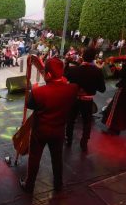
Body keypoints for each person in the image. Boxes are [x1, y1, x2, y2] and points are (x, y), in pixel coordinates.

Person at [19, 58, 79, 193]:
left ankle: (29, 185)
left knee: (34, 158)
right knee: (57, 158)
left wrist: (33, 89)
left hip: (40, 131)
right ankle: (58, 185)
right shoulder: (72, 89)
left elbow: (29, 105)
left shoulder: (38, 92)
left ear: (49, 75)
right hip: (58, 131)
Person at [65, 47, 106, 152]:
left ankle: (68, 139)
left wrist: (66, 63)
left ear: (82, 56)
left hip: (74, 99)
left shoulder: (74, 70)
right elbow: (102, 89)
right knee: (87, 122)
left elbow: (65, 78)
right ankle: (84, 142)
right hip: (87, 101)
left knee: (70, 120)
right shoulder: (97, 71)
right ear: (94, 58)